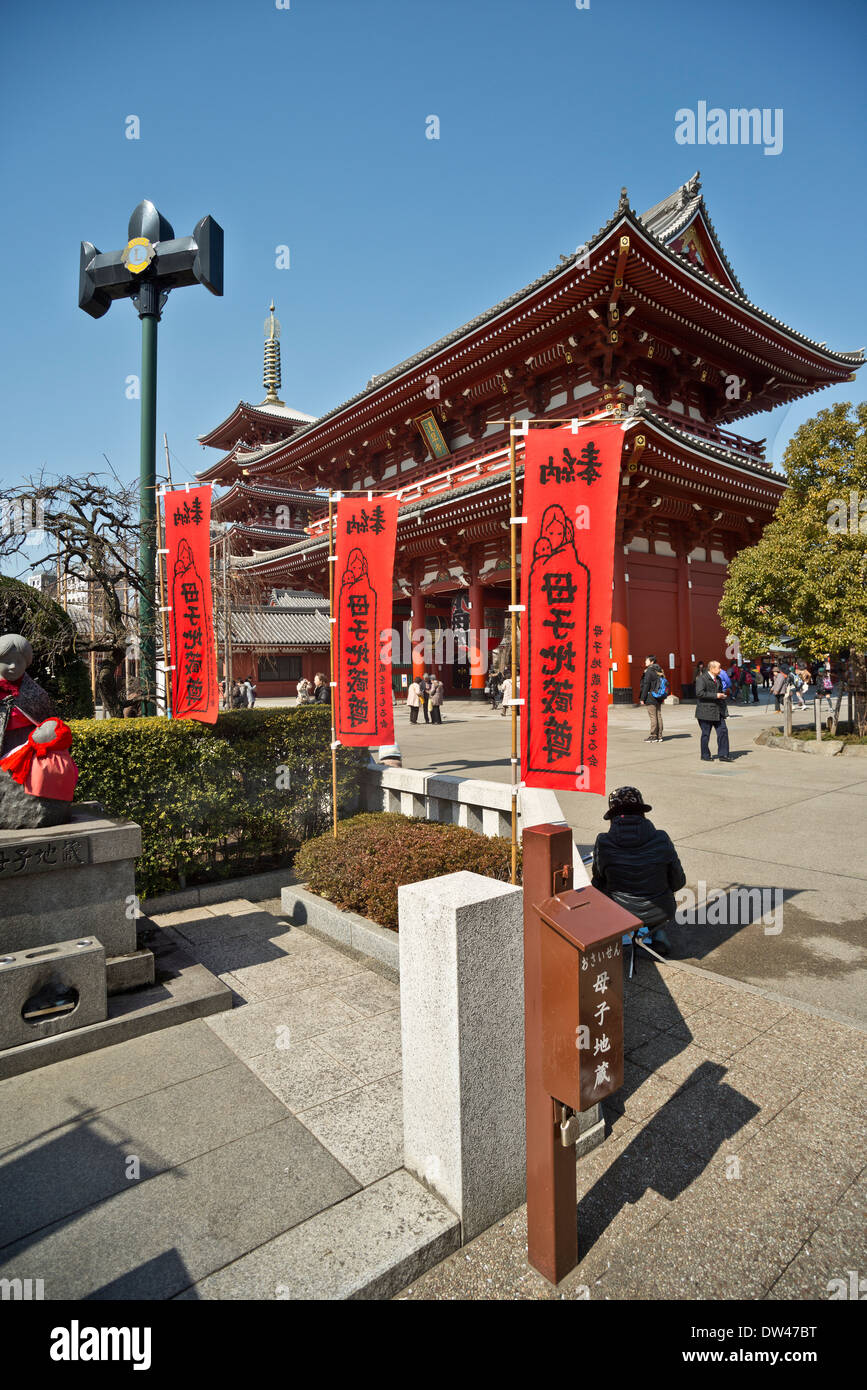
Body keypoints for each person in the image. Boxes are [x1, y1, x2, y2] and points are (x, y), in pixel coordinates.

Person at [591, 785, 686, 958]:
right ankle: (657, 934)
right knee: (656, 887)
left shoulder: (603, 841)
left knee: (602, 888)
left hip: (618, 913)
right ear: (642, 812)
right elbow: (678, 881)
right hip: (661, 911)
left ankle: (614, 937)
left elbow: (597, 881)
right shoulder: (661, 838)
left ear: (612, 815)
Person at [695, 659, 731, 761]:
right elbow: (699, 693)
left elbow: (719, 692)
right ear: (712, 668)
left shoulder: (718, 679)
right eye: (719, 668)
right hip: (705, 711)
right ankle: (705, 755)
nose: (720, 670)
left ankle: (723, 755)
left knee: (723, 731)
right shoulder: (701, 679)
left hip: (717, 711)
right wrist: (716, 695)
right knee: (706, 734)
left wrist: (721, 697)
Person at [639, 655, 667, 743]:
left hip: (651, 696)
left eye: (646, 660)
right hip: (658, 696)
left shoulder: (649, 671)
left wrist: (642, 698)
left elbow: (646, 685)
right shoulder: (659, 670)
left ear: (651, 662)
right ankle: (660, 736)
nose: (645, 662)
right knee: (658, 715)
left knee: (653, 716)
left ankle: (653, 735)